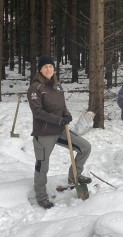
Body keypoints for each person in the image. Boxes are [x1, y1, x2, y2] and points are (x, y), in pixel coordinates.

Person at [27, 55, 92, 209]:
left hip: (61, 130)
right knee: (42, 164)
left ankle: (73, 176)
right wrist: (58, 119)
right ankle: (41, 196)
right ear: (40, 70)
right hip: (44, 133)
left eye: (51, 66)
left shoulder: (58, 86)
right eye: (45, 67)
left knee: (85, 147)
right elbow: (37, 112)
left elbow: (62, 106)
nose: (48, 69)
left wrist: (67, 114)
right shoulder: (35, 88)